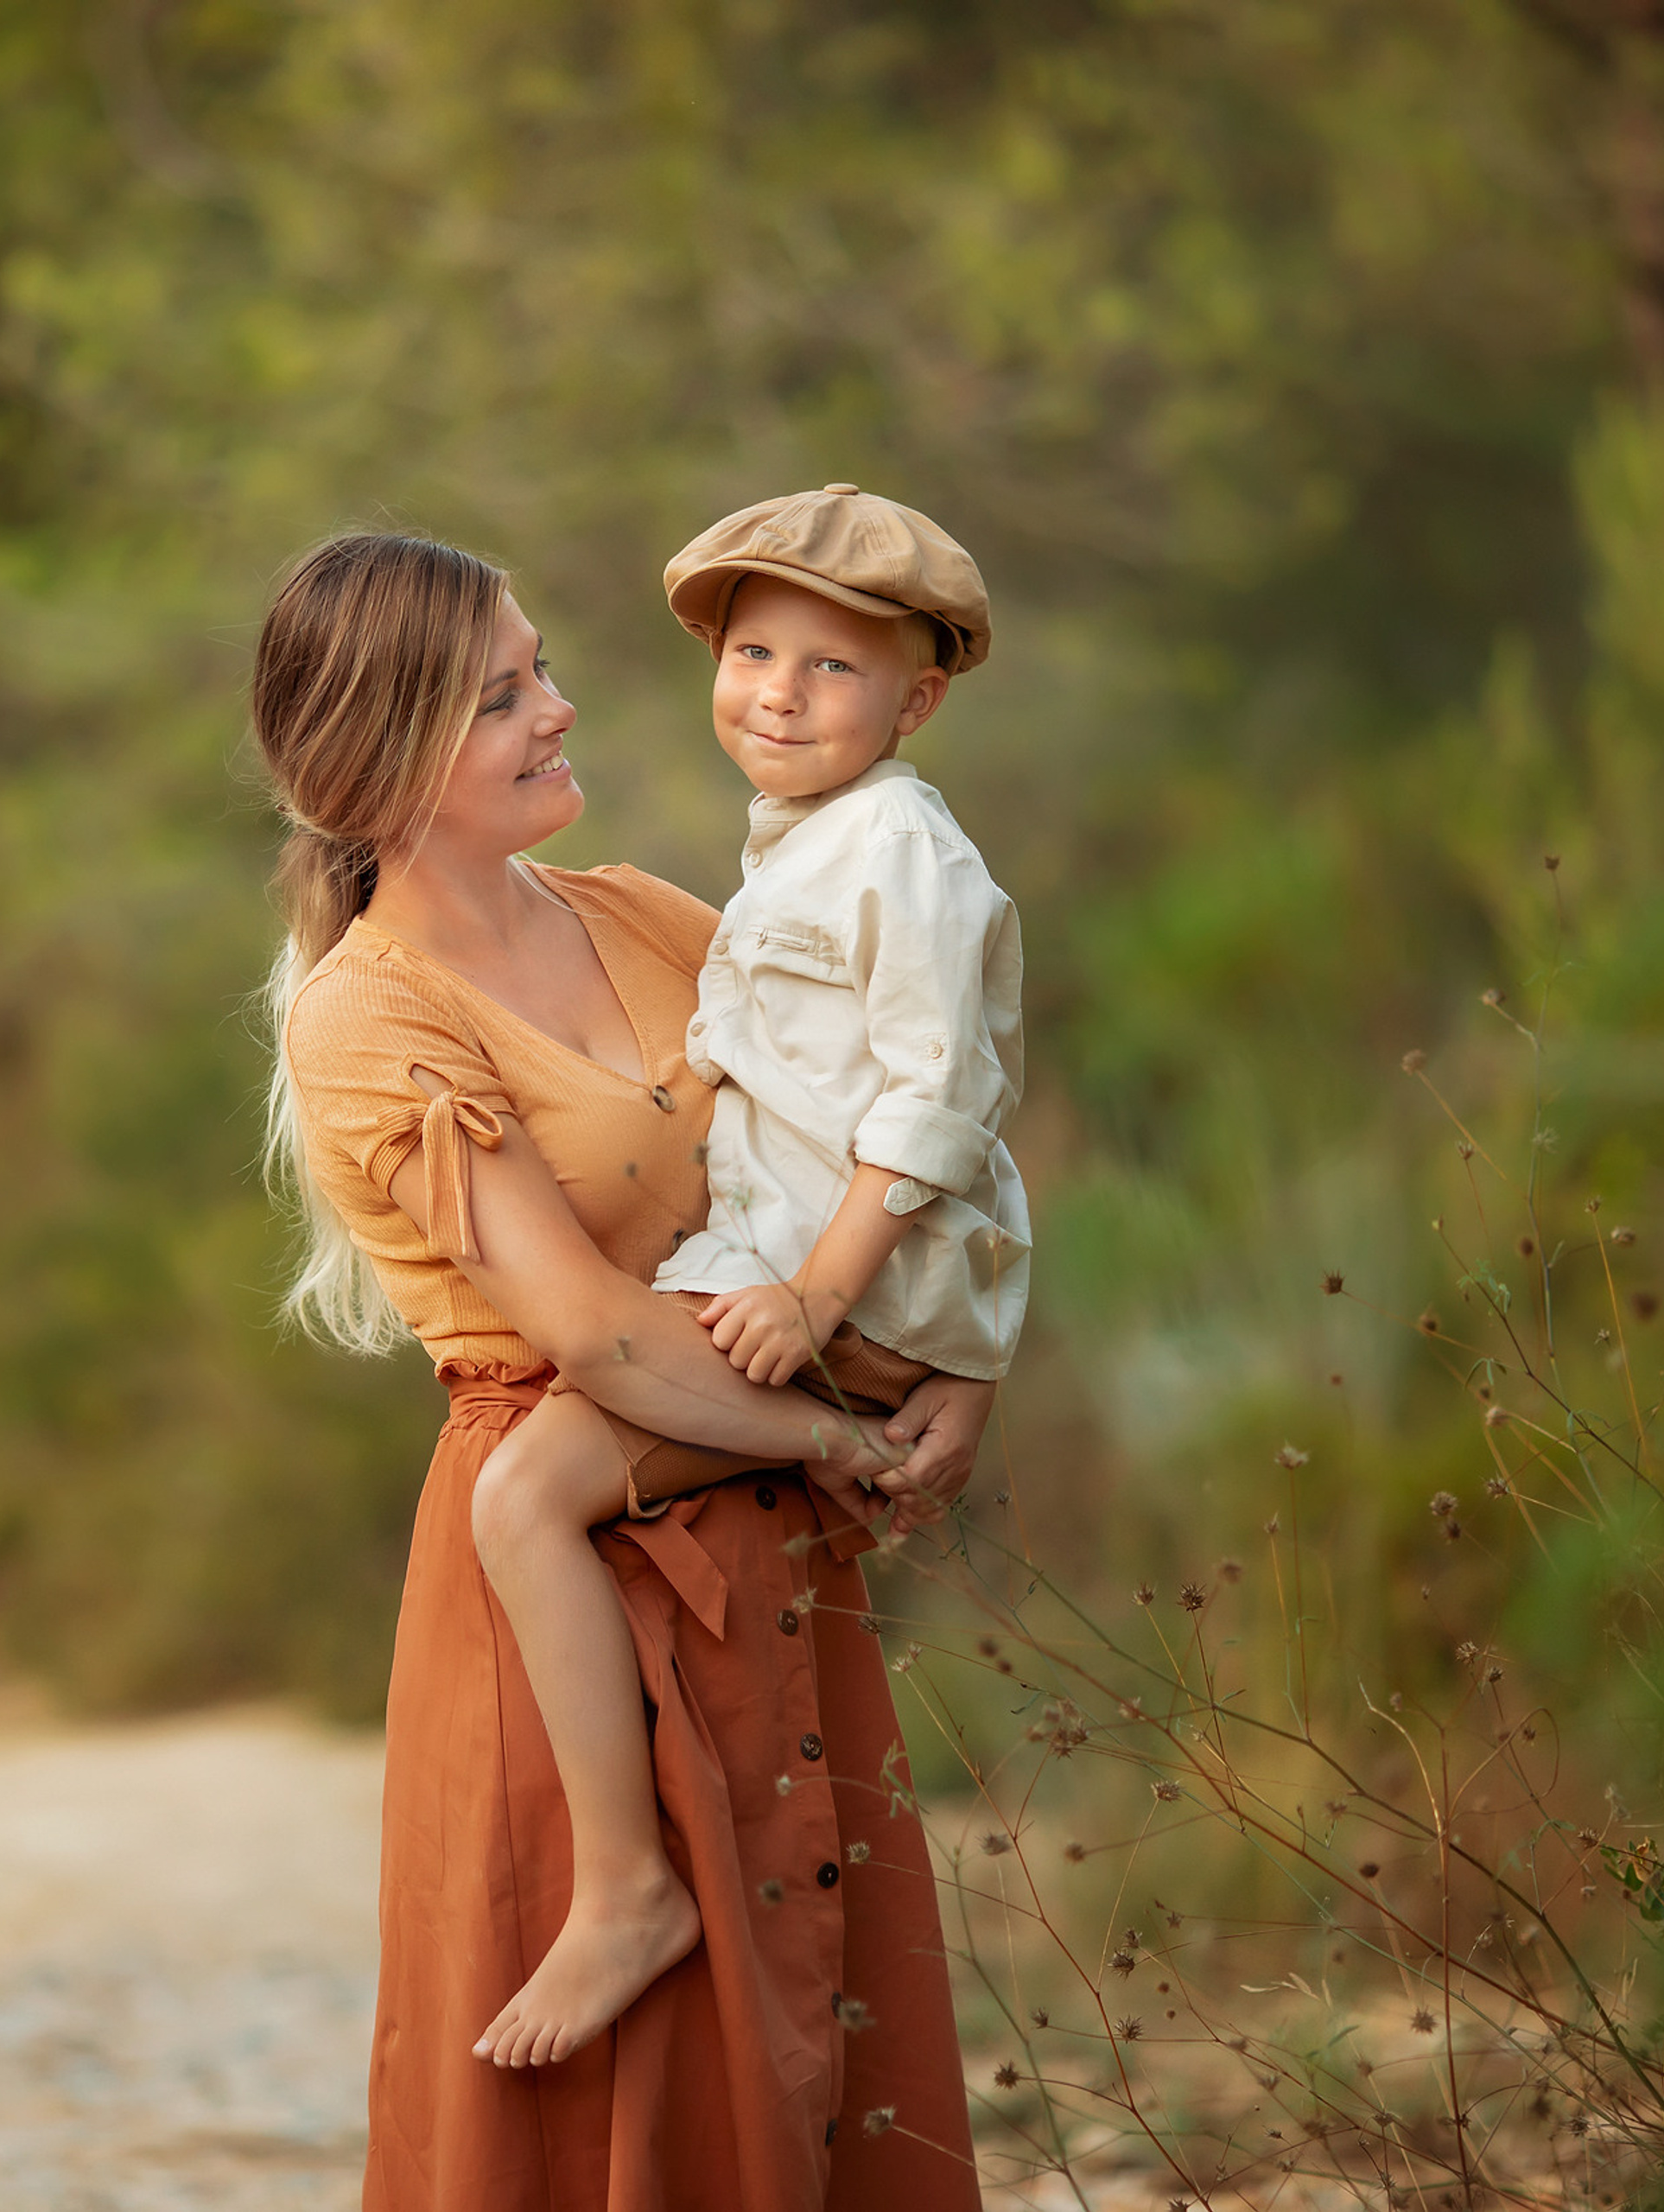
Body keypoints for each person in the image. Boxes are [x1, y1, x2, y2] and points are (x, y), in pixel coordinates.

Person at [264, 528, 988, 2212]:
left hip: (763, 1537)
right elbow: (586, 1329)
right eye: (504, 693)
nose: (560, 709)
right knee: (622, 2100)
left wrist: (954, 1363)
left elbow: (860, 1144)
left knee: (817, 2036)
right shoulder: (365, 1016)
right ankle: (618, 1885)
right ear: (380, 750)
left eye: (541, 670)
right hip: (562, 1578)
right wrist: (834, 1430)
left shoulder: (657, 919)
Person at [468, 486, 1032, 2072]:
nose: (779, 691)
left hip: (819, 1295)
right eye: (755, 650)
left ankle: (627, 1891)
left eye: (834, 668)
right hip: (807, 1279)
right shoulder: (807, 848)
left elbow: (941, 1100)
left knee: (518, 1500)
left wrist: (826, 1304)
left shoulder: (899, 853)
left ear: (918, 699)